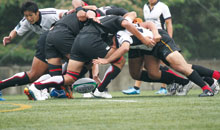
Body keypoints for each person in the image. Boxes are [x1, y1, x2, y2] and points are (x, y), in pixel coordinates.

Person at [27, 13, 153, 100]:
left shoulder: (107, 19)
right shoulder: (120, 22)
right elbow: (127, 25)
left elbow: (130, 17)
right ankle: (100, 90)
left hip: (78, 41)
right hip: (91, 40)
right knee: (120, 61)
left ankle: (37, 86)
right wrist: (144, 39)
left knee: (70, 77)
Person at [93, 20, 219, 97]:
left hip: (161, 40)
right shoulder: (121, 31)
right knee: (161, 71)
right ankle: (210, 81)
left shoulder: (120, 35)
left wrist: (106, 61)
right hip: (150, 48)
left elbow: (124, 48)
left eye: (111, 44)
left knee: (181, 67)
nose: (111, 47)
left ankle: (207, 88)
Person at [0, 1, 67, 100]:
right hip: (47, 43)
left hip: (58, 42)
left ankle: (56, 90)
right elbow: (16, 30)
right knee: (33, 75)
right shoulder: (26, 21)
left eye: (31, 15)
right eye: (26, 16)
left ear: (37, 12)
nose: (29, 18)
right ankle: (45, 89)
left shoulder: (50, 14)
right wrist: (10, 37)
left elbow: (66, 14)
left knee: (65, 66)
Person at [123, 0, 173, 95]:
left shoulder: (163, 6)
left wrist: (170, 39)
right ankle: (136, 87)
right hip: (149, 36)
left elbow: (168, 23)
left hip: (160, 37)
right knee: (146, 63)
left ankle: (164, 87)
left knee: (162, 64)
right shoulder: (145, 6)